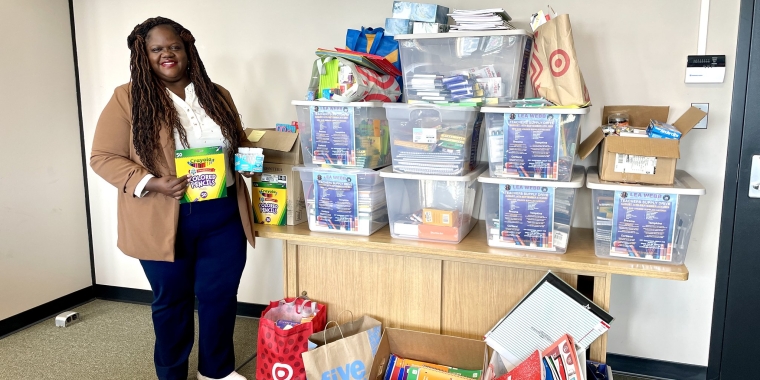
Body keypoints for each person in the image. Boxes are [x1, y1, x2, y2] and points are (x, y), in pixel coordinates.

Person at [90, 17, 254, 380]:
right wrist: (151, 181)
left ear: (187, 49)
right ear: (143, 55)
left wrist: (253, 154)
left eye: (174, 46)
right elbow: (102, 157)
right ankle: (172, 374)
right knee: (172, 302)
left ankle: (217, 371)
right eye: (157, 49)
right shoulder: (127, 97)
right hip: (163, 215)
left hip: (222, 212)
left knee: (220, 296)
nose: (167, 54)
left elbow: (238, 144)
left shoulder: (217, 93)